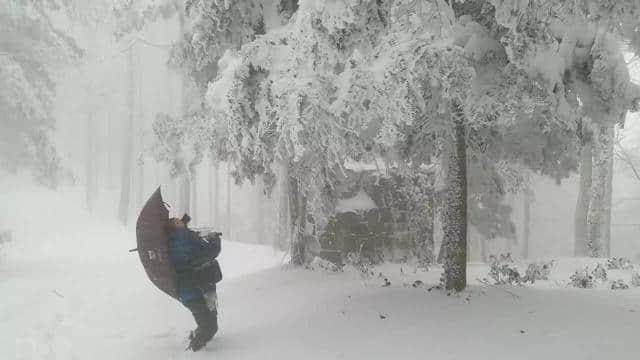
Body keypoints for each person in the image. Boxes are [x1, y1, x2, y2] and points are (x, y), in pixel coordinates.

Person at [165, 214, 222, 351]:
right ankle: (193, 351)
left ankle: (197, 337)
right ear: (174, 227)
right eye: (177, 221)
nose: (181, 221)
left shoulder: (173, 240)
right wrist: (215, 239)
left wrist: (185, 229)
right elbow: (211, 251)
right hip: (195, 290)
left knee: (210, 324)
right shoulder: (184, 238)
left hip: (197, 287)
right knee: (209, 327)